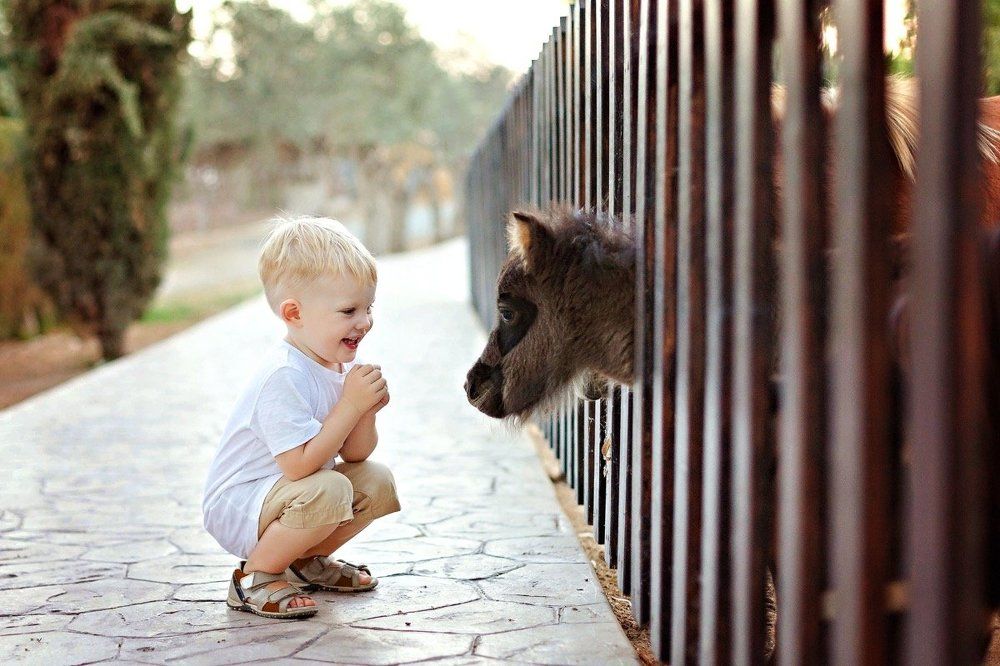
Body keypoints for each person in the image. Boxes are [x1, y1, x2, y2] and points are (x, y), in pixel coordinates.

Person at [202, 215, 401, 619]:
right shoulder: (284, 375)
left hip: (290, 494)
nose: (364, 322)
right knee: (328, 489)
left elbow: (358, 454)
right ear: (294, 313)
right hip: (244, 502)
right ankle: (255, 576)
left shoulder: (341, 362)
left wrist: (363, 411)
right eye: (348, 311)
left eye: (368, 307)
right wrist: (349, 406)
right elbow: (298, 466)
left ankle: (303, 561)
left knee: (375, 481)